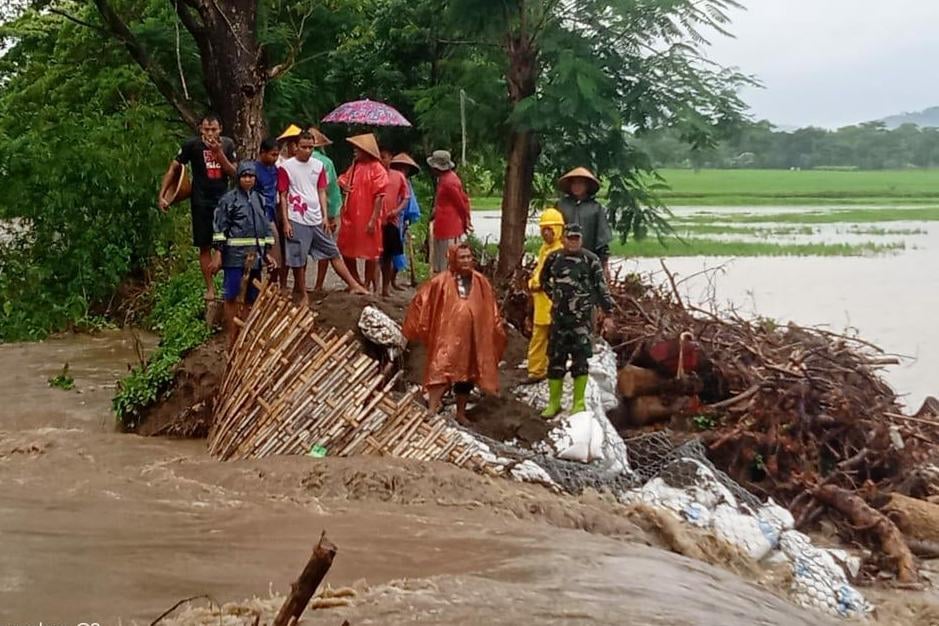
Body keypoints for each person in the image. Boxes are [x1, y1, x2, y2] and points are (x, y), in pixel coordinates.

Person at [403, 244, 506, 424]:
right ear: (453, 260)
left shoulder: (481, 282)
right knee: (440, 370)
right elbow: (422, 301)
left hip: (472, 338)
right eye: (462, 258)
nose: (466, 261)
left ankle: (460, 413)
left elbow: (491, 309)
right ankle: (432, 409)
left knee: (467, 375)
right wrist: (417, 327)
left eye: (468, 257)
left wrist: (496, 329)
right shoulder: (440, 282)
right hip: (447, 337)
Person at [278, 131, 368, 306]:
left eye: (311, 147)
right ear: (296, 147)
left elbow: (321, 191)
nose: (308, 151)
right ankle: (303, 293)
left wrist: (325, 217)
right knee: (299, 258)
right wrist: (286, 221)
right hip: (297, 217)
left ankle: (354, 284)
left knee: (332, 252)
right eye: (304, 147)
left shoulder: (319, 166)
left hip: (316, 217)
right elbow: (283, 195)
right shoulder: (286, 167)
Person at [538, 223, 615, 418]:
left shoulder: (590, 260)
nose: (573, 242)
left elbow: (601, 288)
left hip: (581, 322)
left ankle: (578, 402)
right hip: (559, 320)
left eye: (576, 238)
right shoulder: (554, 258)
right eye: (569, 238)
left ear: (581, 239)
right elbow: (543, 279)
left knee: (580, 361)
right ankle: (554, 403)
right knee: (555, 361)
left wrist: (608, 313)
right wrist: (555, 297)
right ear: (563, 238)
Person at [158, 113, 236, 302]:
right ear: (201, 129)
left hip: (222, 201)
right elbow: (174, 168)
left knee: (226, 244)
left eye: (214, 130)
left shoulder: (227, 144)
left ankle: (228, 286)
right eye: (207, 129)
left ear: (220, 130)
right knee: (204, 245)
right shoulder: (191, 145)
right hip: (200, 200)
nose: (210, 133)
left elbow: (234, 173)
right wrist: (162, 194)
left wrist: (219, 154)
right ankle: (210, 288)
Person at [211, 162, 276, 347]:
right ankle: (232, 334)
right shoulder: (228, 200)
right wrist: (218, 253)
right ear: (238, 178)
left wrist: (266, 254)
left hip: (254, 258)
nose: (248, 180)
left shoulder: (259, 199)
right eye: (244, 176)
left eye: (251, 176)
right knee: (231, 295)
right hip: (233, 257)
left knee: (251, 297)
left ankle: (245, 333)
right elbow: (219, 228)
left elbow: (265, 228)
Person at [337, 134, 387, 291]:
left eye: (358, 148)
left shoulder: (378, 169)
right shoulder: (355, 166)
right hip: (351, 215)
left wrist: (373, 220)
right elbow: (343, 179)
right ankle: (356, 281)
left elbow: (379, 197)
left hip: (368, 216)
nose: (355, 151)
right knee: (345, 247)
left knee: (371, 253)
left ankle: (366, 283)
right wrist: (343, 185)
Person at [525, 208, 565, 384]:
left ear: (558, 230)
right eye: (544, 230)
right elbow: (538, 271)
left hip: (551, 302)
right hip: (541, 302)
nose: (546, 233)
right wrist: (533, 282)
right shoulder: (544, 249)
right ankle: (537, 370)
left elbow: (548, 278)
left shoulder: (559, 252)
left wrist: (536, 283)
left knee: (551, 338)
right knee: (539, 337)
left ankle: (548, 369)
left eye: (550, 229)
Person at [556, 167, 613, 276]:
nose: (577, 186)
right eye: (574, 183)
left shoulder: (596, 208)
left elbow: (602, 240)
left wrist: (604, 265)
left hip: (588, 260)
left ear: (587, 186)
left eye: (580, 183)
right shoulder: (561, 205)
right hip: (563, 259)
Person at [309, 127, 344, 292]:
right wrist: (331, 215)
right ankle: (318, 284)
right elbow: (331, 191)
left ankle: (297, 286)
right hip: (323, 211)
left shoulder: (296, 160)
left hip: (302, 212)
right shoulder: (327, 163)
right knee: (327, 247)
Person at [427, 150, 471, 273]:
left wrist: (465, 221)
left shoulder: (449, 182)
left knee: (447, 259)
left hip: (449, 227)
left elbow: (461, 203)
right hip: (442, 225)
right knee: (441, 257)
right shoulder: (443, 179)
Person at [379, 149, 411, 297]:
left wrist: (397, 211)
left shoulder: (398, 176)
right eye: (379, 157)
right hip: (375, 220)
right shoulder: (374, 174)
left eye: (384, 157)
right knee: (374, 256)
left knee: (388, 256)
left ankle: (385, 288)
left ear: (390, 158)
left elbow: (406, 197)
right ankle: (373, 286)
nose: (381, 160)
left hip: (391, 220)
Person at [389, 153, 423, 290]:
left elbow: (410, 204)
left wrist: (407, 220)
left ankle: (392, 281)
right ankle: (384, 284)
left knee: (397, 252)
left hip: (400, 221)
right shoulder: (387, 179)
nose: (403, 171)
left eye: (405, 169)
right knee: (385, 254)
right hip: (388, 219)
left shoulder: (407, 184)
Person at [254, 138, 281, 282]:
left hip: (271, 214)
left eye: (277, 155)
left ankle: (272, 286)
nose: (275, 158)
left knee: (276, 257)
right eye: (272, 154)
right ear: (262, 152)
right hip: (259, 216)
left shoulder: (274, 169)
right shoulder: (253, 170)